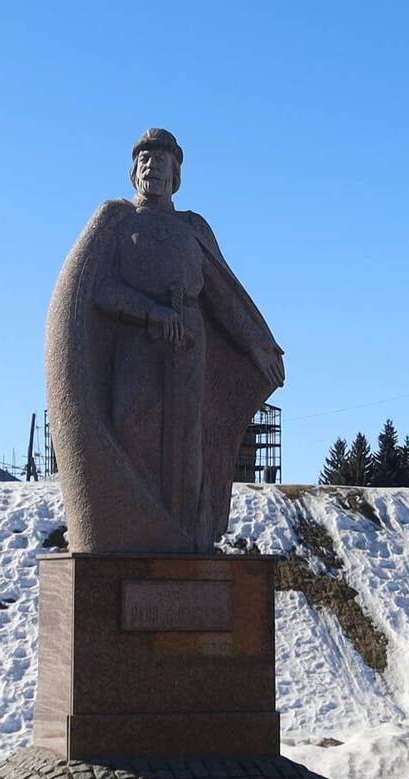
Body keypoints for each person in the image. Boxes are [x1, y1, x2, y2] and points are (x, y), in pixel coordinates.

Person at [45, 129, 284, 553]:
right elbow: (97, 290)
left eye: (162, 163)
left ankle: (186, 538)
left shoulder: (192, 228)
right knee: (130, 425)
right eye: (144, 162)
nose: (152, 169)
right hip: (139, 344)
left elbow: (223, 296)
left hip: (189, 346)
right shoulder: (116, 221)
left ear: (176, 176)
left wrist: (257, 346)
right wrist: (151, 313)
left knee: (187, 441)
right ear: (133, 173)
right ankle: (133, 531)